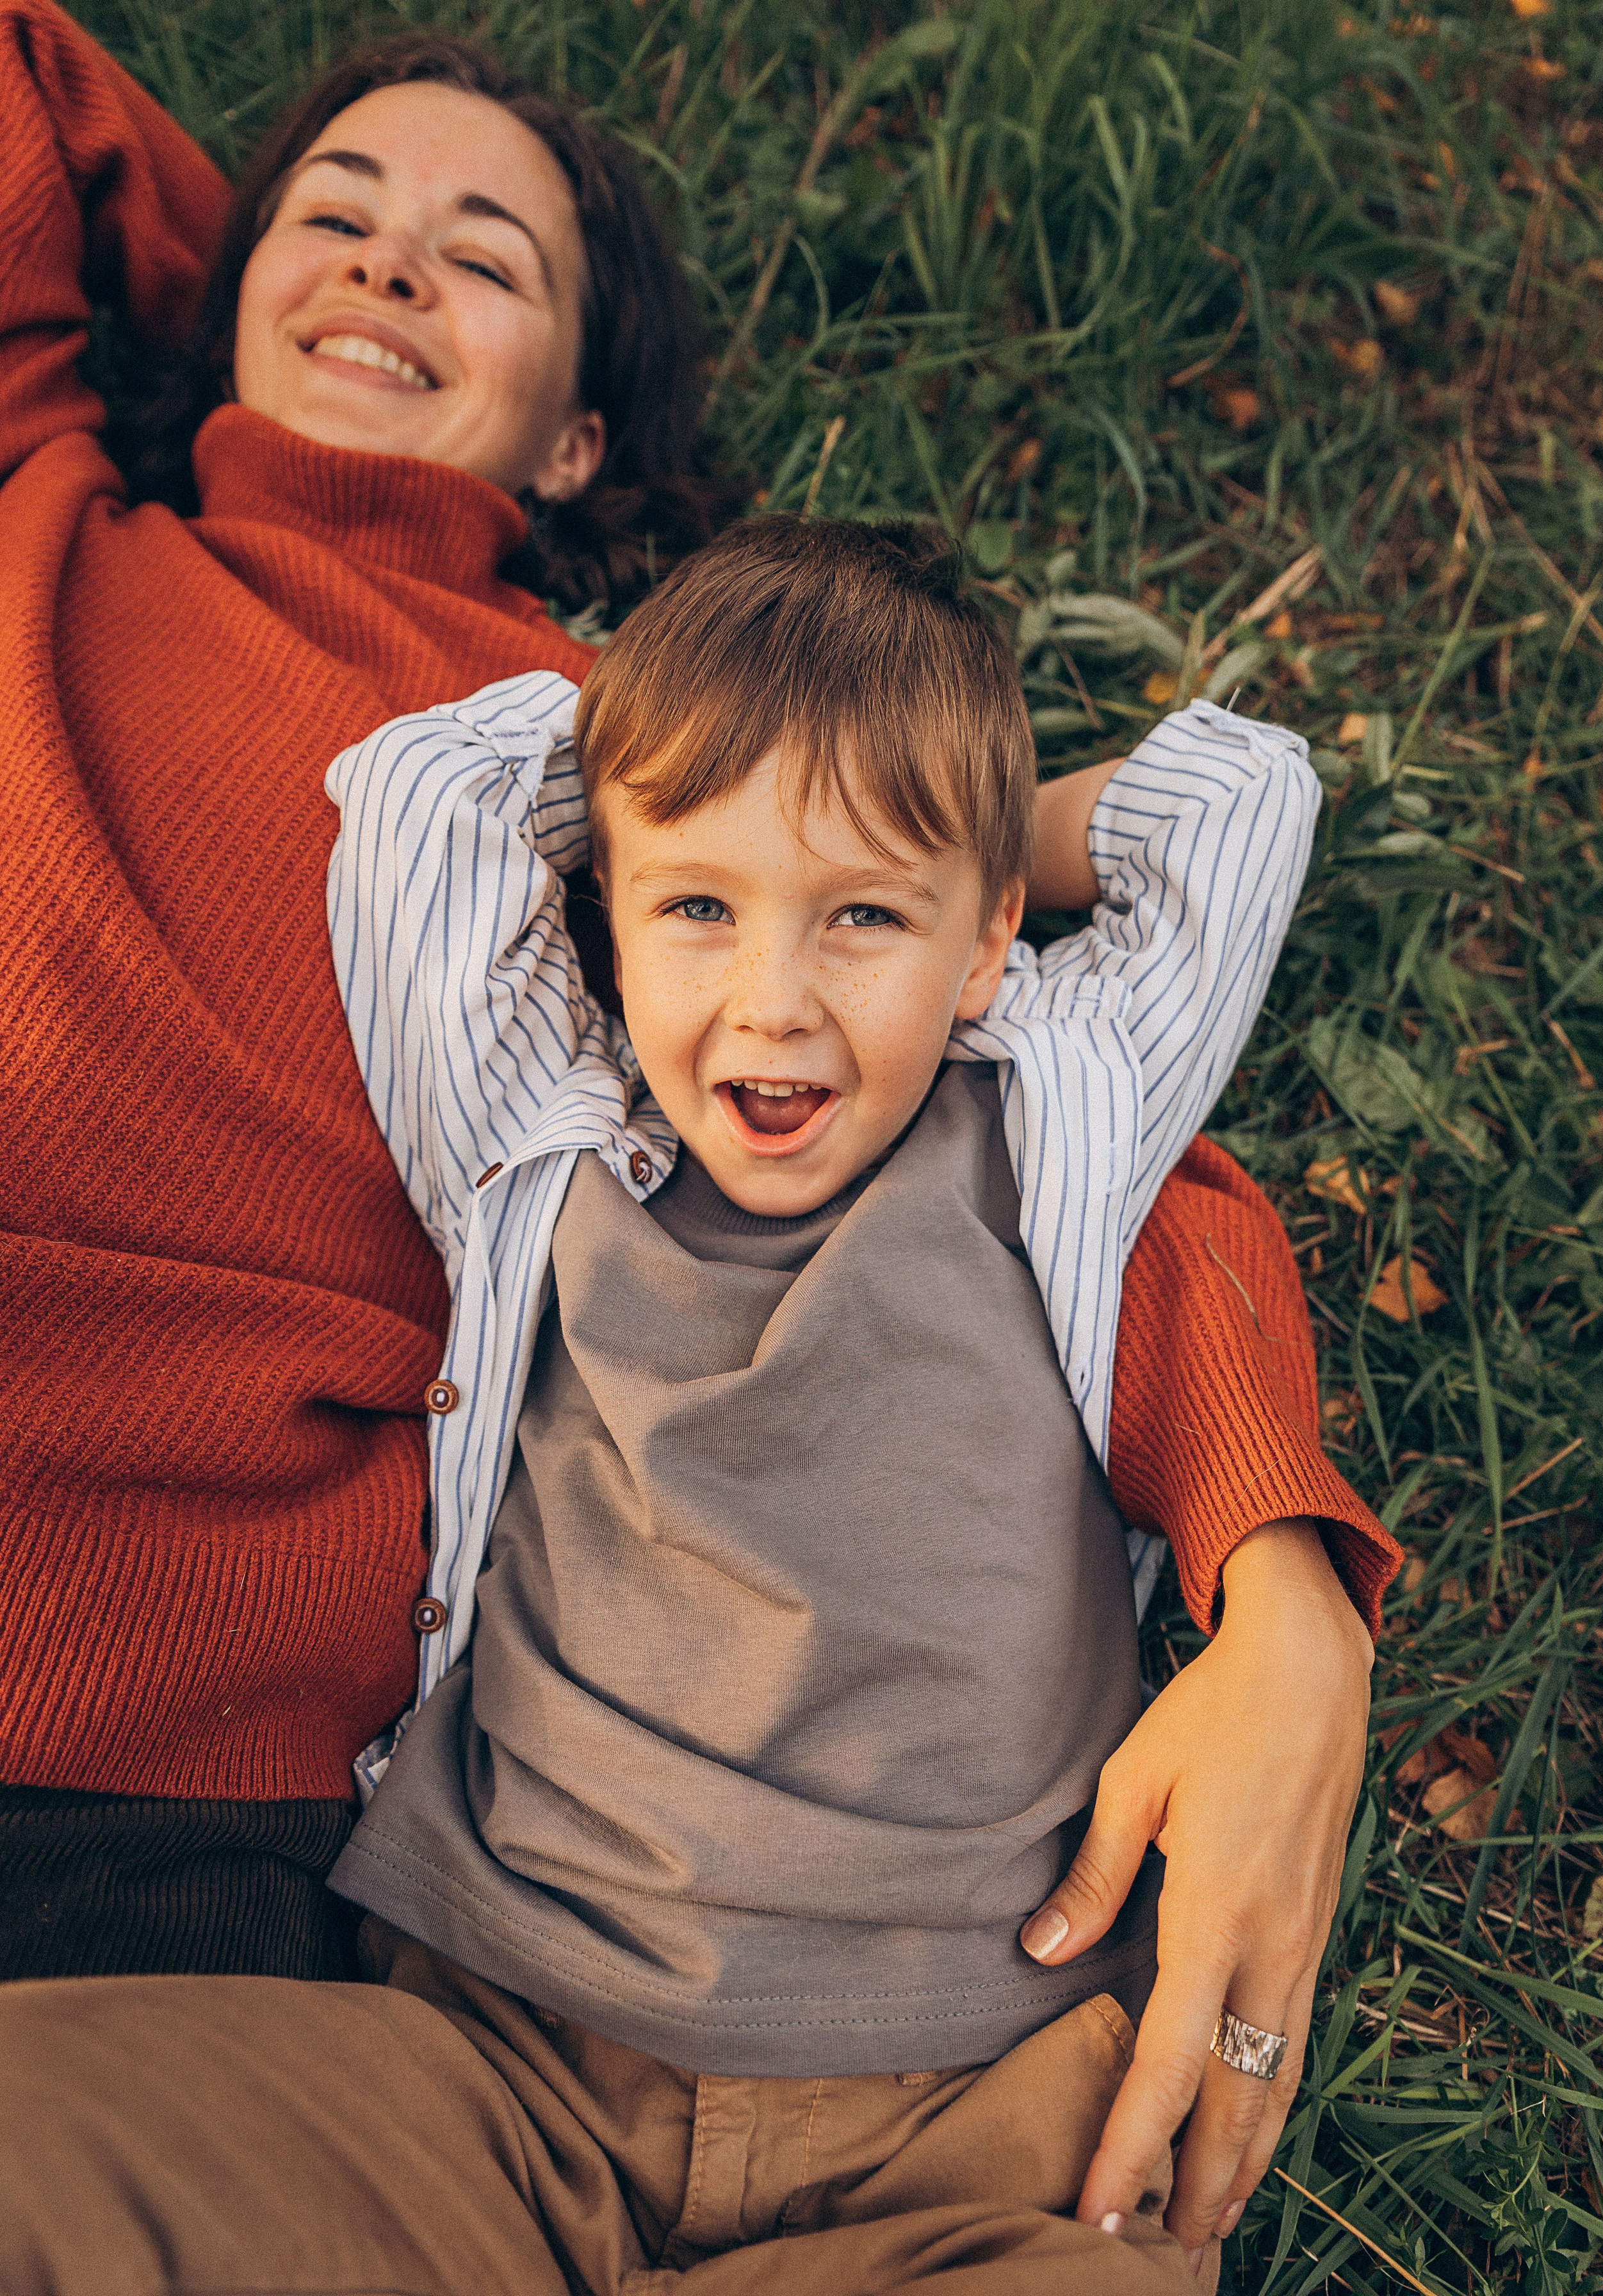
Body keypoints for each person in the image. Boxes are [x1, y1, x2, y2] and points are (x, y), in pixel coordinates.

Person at [0, 0, 1396, 2256]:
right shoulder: (38, 502)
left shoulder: (626, 788)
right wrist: (233, 320)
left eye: (485, 260)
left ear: (581, 435)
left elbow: (1074, 1172)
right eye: (334, 219)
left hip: (166, 1727)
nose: (391, 263)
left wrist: (1286, 1592)